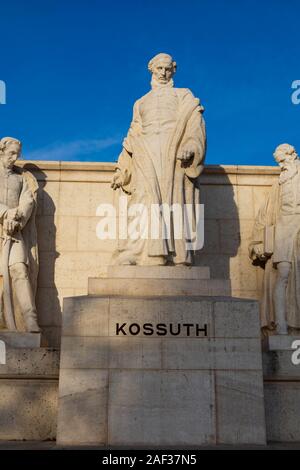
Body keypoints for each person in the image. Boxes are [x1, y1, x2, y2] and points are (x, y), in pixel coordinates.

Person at [111, 53, 206, 265]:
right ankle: (139, 252)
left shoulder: (183, 95)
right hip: (146, 153)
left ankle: (175, 255)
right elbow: (132, 135)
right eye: (159, 69)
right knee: (143, 199)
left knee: (174, 203)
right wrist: (123, 169)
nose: (163, 73)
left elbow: (194, 122)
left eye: (167, 69)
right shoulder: (140, 102)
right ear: (151, 69)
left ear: (173, 70)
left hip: (173, 153)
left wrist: (191, 145)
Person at [249, 143, 300, 335]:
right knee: (283, 273)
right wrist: (257, 244)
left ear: (292, 155)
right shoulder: (277, 186)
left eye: (283, 161)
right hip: (284, 227)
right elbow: (264, 216)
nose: (281, 166)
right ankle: (281, 324)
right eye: (279, 163)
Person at [0, 137, 40, 332]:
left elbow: (28, 201)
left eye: (17, 154)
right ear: (1, 152)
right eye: (11, 154)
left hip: (15, 233)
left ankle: (30, 320)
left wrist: (17, 218)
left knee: (19, 270)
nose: (14, 158)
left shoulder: (21, 178)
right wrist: (5, 212)